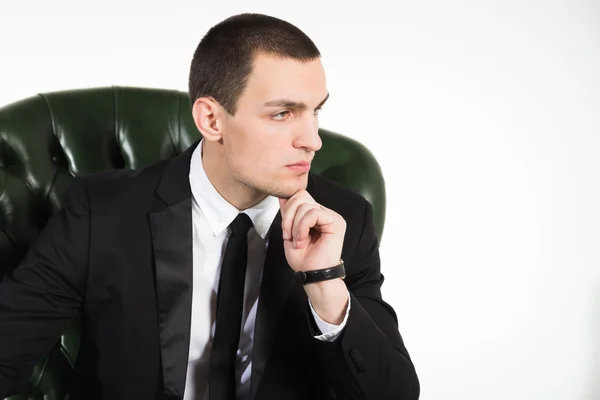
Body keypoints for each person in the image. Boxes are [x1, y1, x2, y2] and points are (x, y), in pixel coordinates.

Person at [0, 13, 419, 400]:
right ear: (212, 120)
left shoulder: (344, 220)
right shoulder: (101, 213)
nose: (312, 140)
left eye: (315, 112)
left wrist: (325, 282)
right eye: (282, 114)